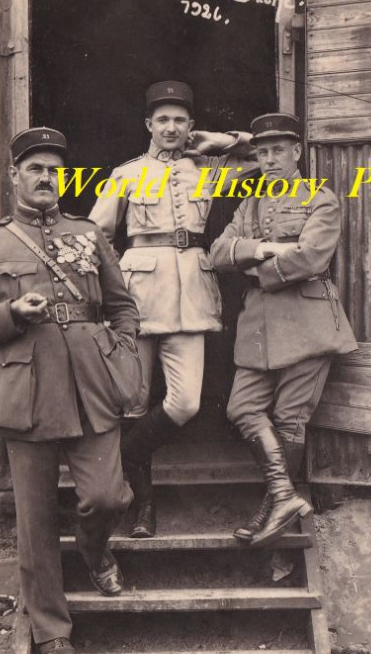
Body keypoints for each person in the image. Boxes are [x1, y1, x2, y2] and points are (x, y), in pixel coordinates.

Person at [0, 127, 141, 654]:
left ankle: (93, 548)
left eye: (53, 169)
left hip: (91, 387)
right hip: (26, 394)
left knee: (108, 497)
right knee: (34, 523)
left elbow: (122, 304)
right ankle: (52, 629)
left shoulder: (87, 234)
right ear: (15, 176)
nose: (45, 178)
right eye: (34, 168)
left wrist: (122, 350)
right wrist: (11, 314)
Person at [89, 80, 253, 537]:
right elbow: (97, 234)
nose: (171, 127)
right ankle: (144, 509)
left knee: (184, 403)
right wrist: (107, 292)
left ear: (191, 126)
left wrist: (221, 142)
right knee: (133, 404)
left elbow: (261, 156)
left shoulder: (208, 170)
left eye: (180, 119)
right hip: (137, 294)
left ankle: (125, 459)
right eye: (162, 119)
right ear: (148, 124)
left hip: (191, 298)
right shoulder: (127, 174)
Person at [209, 113, 358, 548]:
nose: (270, 159)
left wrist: (254, 268)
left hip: (308, 320)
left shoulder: (320, 198)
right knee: (241, 408)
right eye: (262, 152)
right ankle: (284, 496)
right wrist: (266, 248)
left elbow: (312, 258)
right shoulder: (250, 204)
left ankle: (274, 505)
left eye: (278, 150)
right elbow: (218, 251)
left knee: (291, 419)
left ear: (296, 153)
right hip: (259, 325)